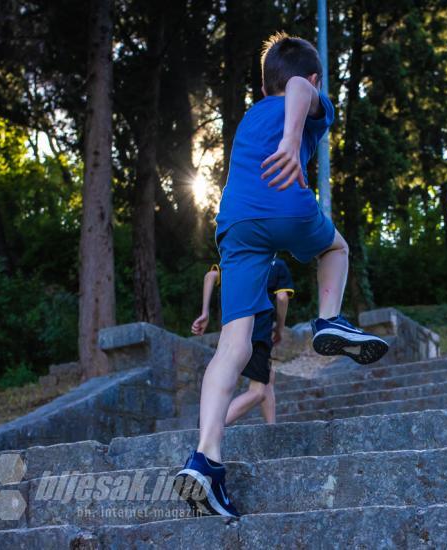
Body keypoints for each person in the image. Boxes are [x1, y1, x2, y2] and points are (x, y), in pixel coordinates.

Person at [174, 32, 389, 518]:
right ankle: (330, 318)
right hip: (284, 195)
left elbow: (285, 88)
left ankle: (205, 459)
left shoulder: (251, 115)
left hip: (236, 224)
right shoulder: (305, 93)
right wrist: (294, 139)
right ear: (312, 79)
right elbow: (299, 89)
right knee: (336, 247)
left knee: (234, 345)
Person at [191, 257, 295, 425]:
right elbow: (282, 298)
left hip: (232, 329)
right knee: (258, 391)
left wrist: (205, 313)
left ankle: (272, 429)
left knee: (268, 374)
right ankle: (208, 426)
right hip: (259, 329)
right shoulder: (276, 263)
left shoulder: (239, 257)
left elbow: (210, 276)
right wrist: (280, 328)